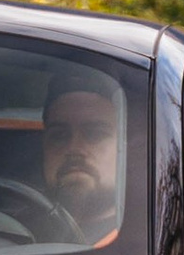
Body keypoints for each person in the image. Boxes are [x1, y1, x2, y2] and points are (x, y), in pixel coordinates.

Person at [39, 76, 123, 236]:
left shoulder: (149, 240)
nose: (74, 149)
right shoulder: (8, 229)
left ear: (125, 148)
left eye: (95, 134)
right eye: (59, 136)